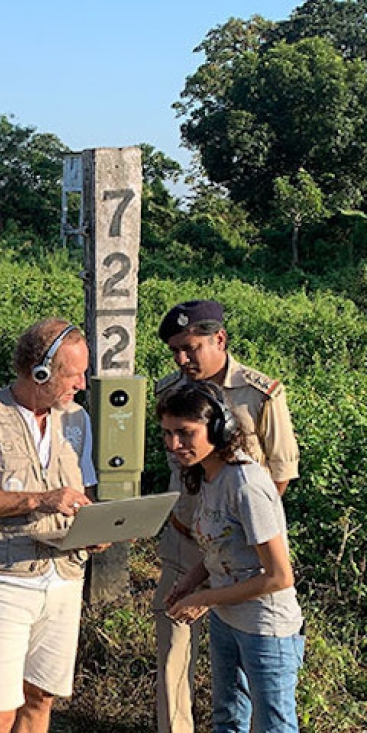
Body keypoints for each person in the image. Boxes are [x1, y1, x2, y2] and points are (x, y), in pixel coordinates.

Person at [0, 318, 100, 733]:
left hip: (66, 578)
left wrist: (99, 527)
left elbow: (84, 493)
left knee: (40, 698)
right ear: (41, 371)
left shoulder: (77, 420)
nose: (82, 384)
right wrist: (40, 500)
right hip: (7, 579)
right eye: (74, 374)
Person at [152, 299, 299, 733]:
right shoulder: (169, 391)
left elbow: (280, 473)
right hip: (187, 538)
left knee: (264, 701)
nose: (182, 359)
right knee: (177, 657)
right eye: (174, 351)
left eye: (190, 347)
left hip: (244, 546)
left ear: (219, 339)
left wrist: (239, 526)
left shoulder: (260, 392)